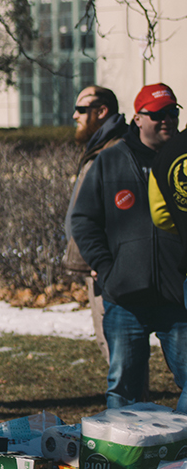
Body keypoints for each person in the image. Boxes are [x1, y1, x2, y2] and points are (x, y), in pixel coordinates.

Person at [70, 83, 187, 411]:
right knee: (123, 389)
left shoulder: (183, 160)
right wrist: (108, 269)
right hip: (126, 297)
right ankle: (124, 458)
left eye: (173, 112)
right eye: (157, 114)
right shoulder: (110, 161)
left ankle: (176, 453)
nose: (167, 120)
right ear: (138, 118)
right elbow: (83, 220)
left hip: (176, 296)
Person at [63, 85, 129, 364]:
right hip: (99, 263)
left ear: (101, 111)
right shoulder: (101, 147)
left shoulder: (115, 150)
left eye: (81, 109)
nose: (75, 116)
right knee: (110, 345)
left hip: (105, 266)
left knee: (118, 349)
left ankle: (128, 407)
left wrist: (101, 259)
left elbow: (121, 211)